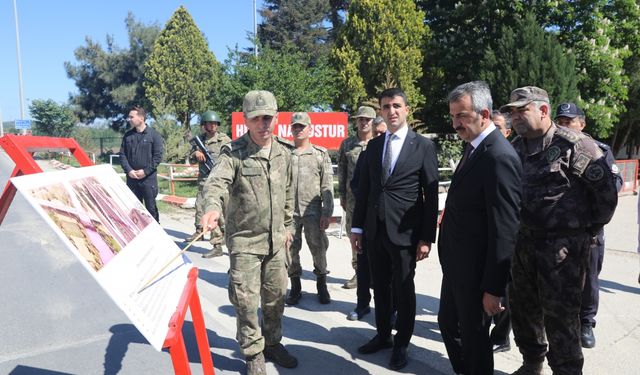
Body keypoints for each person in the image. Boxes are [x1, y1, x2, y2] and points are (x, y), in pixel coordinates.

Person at [500, 86, 618, 375]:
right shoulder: (514, 148)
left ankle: (566, 370)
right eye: (512, 112)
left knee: (562, 318)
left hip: (562, 250)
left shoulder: (575, 146)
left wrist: (583, 232)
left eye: (521, 110)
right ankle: (531, 362)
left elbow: (605, 198)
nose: (515, 117)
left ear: (543, 110)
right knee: (524, 311)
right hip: (523, 246)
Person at [200, 90, 297, 374]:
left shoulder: (284, 152)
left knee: (276, 297)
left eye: (268, 117)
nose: (263, 124)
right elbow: (215, 184)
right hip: (245, 242)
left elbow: (289, 193)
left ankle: (273, 343)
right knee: (245, 301)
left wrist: (288, 226)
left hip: (277, 241)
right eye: (257, 118)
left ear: (276, 118)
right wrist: (212, 208)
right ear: (246, 120)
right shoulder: (234, 153)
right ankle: (253, 352)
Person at [350, 88, 439, 370]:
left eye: (397, 105)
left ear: (406, 109)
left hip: (405, 233)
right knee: (380, 288)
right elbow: (364, 191)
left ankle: (402, 343)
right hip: (375, 231)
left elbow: (431, 195)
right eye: (386, 106)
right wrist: (357, 228)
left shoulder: (422, 146)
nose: (392, 111)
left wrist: (426, 237)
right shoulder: (374, 147)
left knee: (403, 289)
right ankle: (383, 335)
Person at [438, 81, 522, 375]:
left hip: (477, 273)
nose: (455, 124)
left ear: (484, 114)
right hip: (458, 265)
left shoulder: (498, 156)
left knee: (474, 339)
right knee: (448, 324)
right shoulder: (474, 147)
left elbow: (505, 229)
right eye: (452, 116)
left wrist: (494, 287)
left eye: (461, 116)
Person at [554, 102, 623, 349]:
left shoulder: (599, 150)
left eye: (569, 122)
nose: (563, 126)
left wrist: (594, 221)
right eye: (559, 122)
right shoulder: (552, 150)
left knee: (588, 278)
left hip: (588, 229)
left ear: (582, 124)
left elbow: (613, 187)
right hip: (558, 229)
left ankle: (586, 322)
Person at [286, 112, 334, 305]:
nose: (298, 130)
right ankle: (295, 286)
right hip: (289, 212)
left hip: (313, 211)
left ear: (309, 129)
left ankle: (321, 284)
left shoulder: (319, 154)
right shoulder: (285, 155)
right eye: (295, 127)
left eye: (301, 126)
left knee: (319, 248)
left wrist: (327, 212)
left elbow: (327, 185)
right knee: (289, 249)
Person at [347, 116, 387, 321]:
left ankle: (391, 309)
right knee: (363, 264)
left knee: (388, 270)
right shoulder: (366, 154)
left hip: (388, 221)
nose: (379, 136)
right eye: (376, 132)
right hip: (366, 217)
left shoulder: (396, 154)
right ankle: (362, 304)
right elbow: (356, 184)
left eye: (383, 132)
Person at [338, 105, 376, 289]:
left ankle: (375, 273)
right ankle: (359, 272)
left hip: (375, 200)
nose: (363, 122)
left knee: (375, 236)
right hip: (353, 200)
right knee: (354, 235)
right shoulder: (347, 144)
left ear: (373, 121)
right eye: (360, 119)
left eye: (367, 119)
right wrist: (343, 196)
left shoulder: (380, 141)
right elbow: (342, 172)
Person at [185, 110, 232, 258]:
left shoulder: (224, 140)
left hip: (221, 183)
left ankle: (226, 241)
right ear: (204, 125)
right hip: (204, 181)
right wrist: (195, 155)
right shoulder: (199, 141)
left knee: (225, 215)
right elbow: (191, 160)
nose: (212, 126)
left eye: (214, 123)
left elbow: (232, 158)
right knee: (204, 209)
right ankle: (215, 243)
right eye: (209, 123)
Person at [489, 111, 515, 354]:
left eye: (498, 128)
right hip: (488, 236)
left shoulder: (509, 155)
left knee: (504, 290)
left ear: (508, 132)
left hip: (509, 236)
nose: (493, 131)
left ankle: (502, 337)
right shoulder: (488, 153)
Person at [119, 106, 164, 222]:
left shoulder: (154, 135)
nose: (129, 119)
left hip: (148, 179)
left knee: (151, 208)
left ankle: (155, 232)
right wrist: (129, 170)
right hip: (132, 179)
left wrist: (145, 172)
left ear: (141, 118)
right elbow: (122, 155)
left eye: (131, 117)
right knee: (134, 209)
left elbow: (157, 157)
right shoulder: (128, 136)